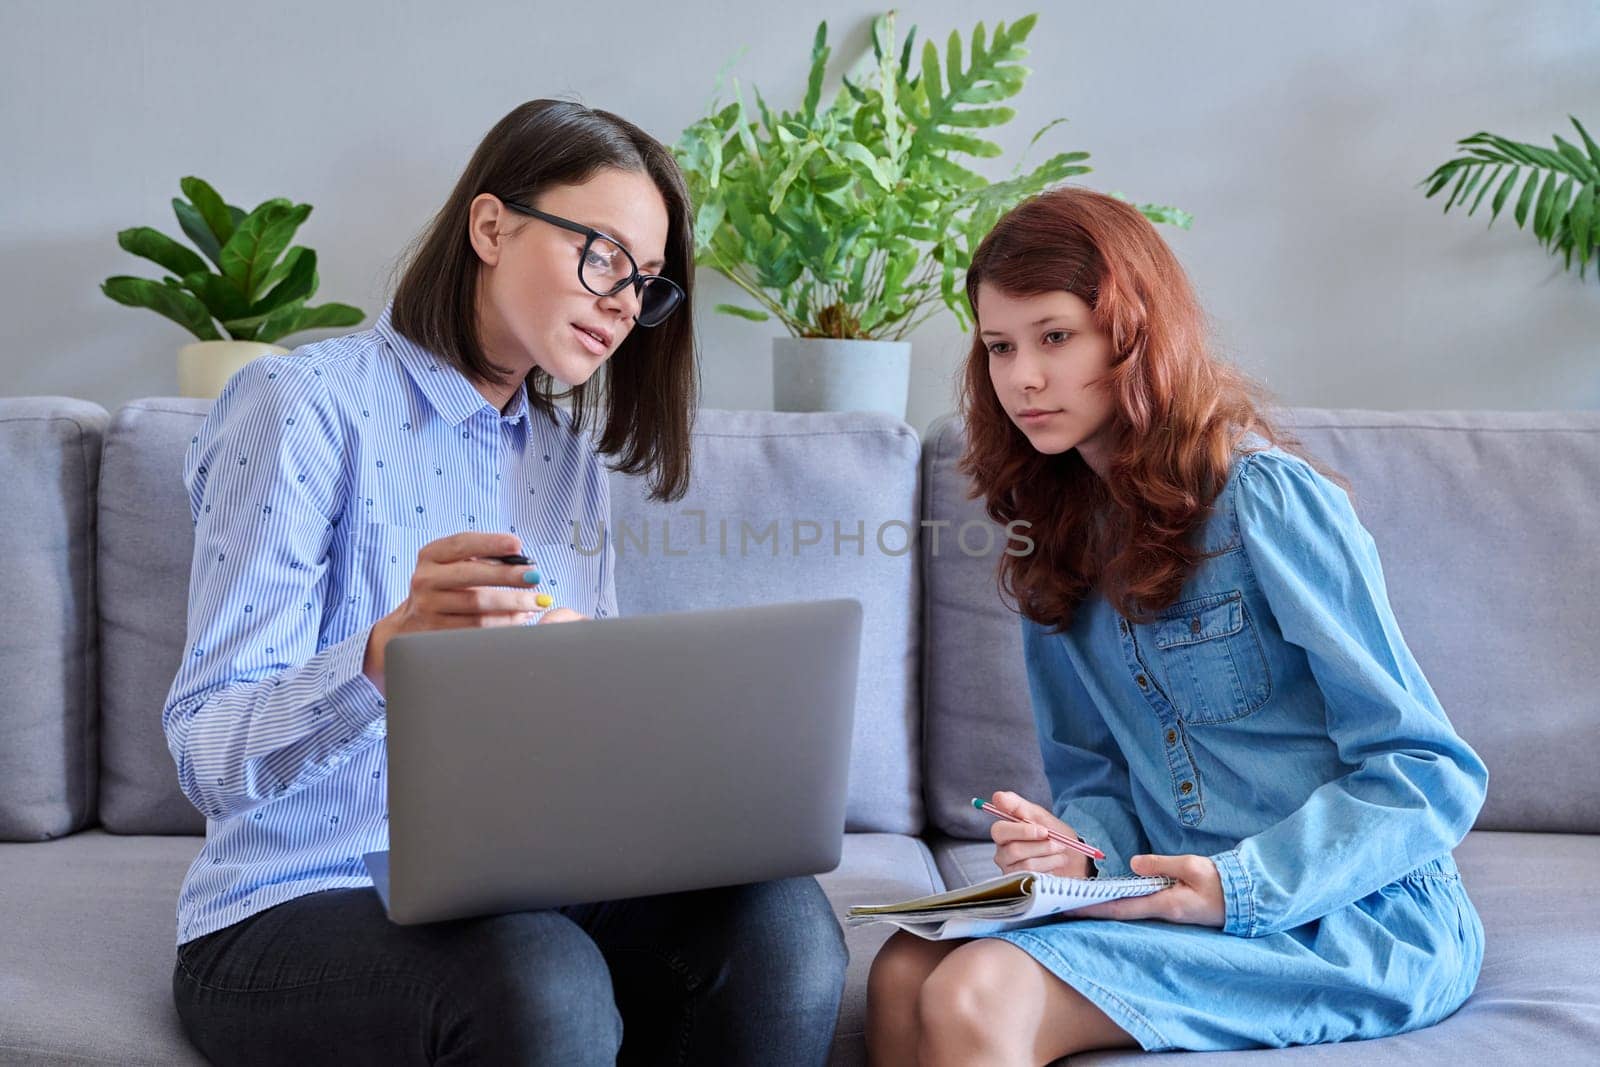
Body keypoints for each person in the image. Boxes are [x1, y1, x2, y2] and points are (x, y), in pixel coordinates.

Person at [165, 99, 846, 1067]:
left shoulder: (563, 455)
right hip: (294, 897)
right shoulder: (301, 405)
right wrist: (379, 657)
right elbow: (204, 749)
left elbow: (576, 758)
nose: (622, 300)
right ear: (491, 225)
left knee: (778, 921)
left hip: (516, 888)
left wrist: (598, 697)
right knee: (543, 974)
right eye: (602, 253)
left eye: (645, 282)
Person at [865, 187, 1487, 1065]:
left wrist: (1237, 886)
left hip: (1351, 915)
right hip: (1173, 904)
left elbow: (1429, 770)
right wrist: (1074, 851)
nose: (1023, 378)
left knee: (979, 988)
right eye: (1000, 347)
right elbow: (1104, 783)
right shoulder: (1059, 532)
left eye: (1055, 336)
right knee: (902, 967)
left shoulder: (1265, 500)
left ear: (1132, 332)